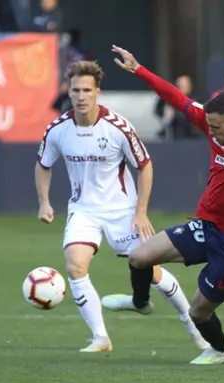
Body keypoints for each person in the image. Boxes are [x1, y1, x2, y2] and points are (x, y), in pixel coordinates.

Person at [105, 45, 224, 364]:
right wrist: (140, 70)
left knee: (198, 310)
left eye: (215, 126)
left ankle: (221, 349)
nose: (209, 130)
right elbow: (177, 99)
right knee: (139, 257)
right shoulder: (217, 132)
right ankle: (140, 302)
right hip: (207, 227)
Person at [35, 61, 203, 353]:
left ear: (97, 92)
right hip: (83, 210)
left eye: (87, 89)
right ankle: (100, 337)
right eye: (76, 90)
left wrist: (140, 211)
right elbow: (43, 165)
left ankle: (193, 325)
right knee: (75, 266)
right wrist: (44, 202)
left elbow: (145, 166)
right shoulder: (57, 130)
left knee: (151, 271)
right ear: (69, 92)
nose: (81, 96)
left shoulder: (118, 127)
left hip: (122, 211)